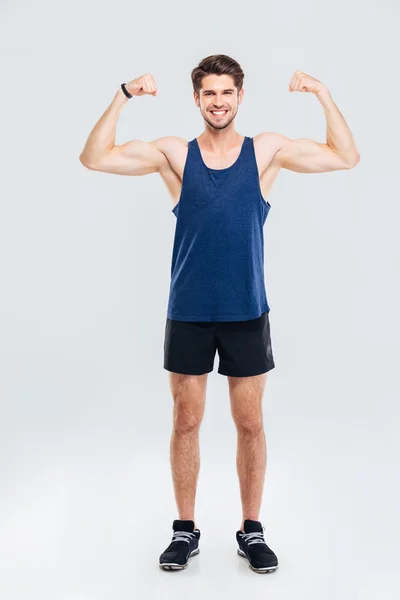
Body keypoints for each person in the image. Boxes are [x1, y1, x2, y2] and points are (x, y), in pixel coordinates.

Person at [79, 54, 360, 574]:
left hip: (246, 310)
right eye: (209, 93)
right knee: (186, 420)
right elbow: (94, 158)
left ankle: (251, 530)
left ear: (240, 97)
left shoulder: (266, 152)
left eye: (226, 92)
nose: (218, 101)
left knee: (250, 423)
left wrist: (321, 91)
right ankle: (184, 530)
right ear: (197, 100)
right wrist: (124, 94)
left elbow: (346, 156)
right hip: (188, 310)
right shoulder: (175, 155)